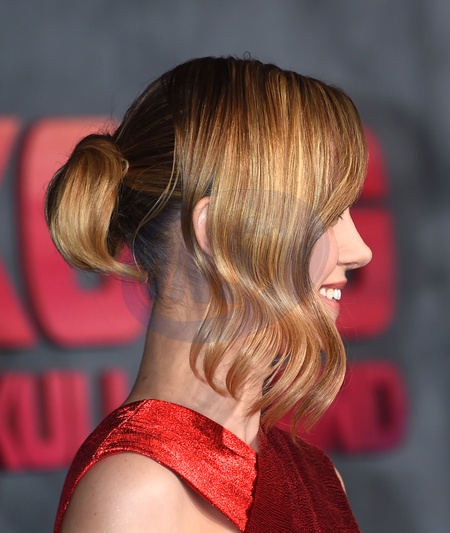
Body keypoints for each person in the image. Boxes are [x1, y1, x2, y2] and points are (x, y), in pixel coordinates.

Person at [46, 56, 372, 532]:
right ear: (219, 232)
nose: (360, 251)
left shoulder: (317, 476)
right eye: (326, 213)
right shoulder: (138, 496)